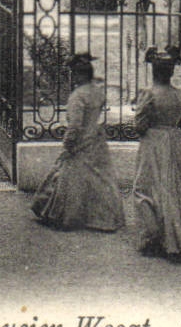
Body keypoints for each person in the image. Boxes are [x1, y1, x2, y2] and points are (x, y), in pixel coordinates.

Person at [31, 52, 124, 231]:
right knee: (99, 180)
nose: (72, 78)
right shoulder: (97, 92)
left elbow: (74, 125)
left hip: (81, 142)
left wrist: (68, 143)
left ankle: (68, 216)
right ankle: (103, 218)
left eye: (73, 74)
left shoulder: (77, 96)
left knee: (69, 178)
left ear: (78, 75)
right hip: (96, 140)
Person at [132, 47, 181, 259]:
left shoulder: (149, 94)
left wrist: (150, 128)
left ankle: (151, 237)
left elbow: (139, 125)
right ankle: (175, 240)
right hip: (174, 143)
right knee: (171, 190)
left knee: (145, 188)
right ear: (170, 73)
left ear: (153, 72)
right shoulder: (179, 95)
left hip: (153, 143)